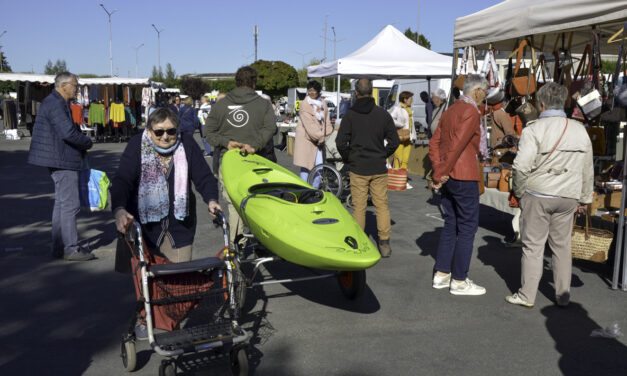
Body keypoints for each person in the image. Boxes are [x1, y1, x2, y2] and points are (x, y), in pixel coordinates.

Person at [506, 82, 593, 308]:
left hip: (539, 193)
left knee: (533, 246)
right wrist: (585, 198)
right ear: (563, 102)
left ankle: (527, 295)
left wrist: (520, 193)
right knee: (562, 246)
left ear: (542, 104)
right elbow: (587, 168)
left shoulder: (534, 129)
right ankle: (563, 295)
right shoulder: (579, 129)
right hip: (568, 195)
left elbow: (521, 166)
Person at [112, 107, 221, 262]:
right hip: (144, 228)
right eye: (159, 132)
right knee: (147, 281)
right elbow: (122, 180)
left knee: (180, 279)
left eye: (171, 131)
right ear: (149, 131)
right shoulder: (137, 144)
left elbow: (204, 176)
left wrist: (211, 199)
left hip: (179, 226)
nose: (165, 136)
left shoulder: (186, 143)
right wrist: (119, 209)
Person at [429, 74, 488, 295]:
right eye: (486, 91)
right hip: (463, 174)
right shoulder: (470, 110)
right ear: (478, 91)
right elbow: (457, 145)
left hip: (450, 175)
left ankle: (442, 274)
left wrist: (439, 171)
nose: (486, 96)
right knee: (467, 228)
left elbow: (435, 143)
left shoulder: (451, 109)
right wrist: (440, 172)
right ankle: (459, 280)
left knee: (451, 223)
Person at [203, 66, 275, 246]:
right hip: (257, 160)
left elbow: (208, 132)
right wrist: (255, 145)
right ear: (253, 82)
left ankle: (237, 244)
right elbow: (270, 129)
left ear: (236, 82)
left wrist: (226, 142)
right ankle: (260, 241)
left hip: (229, 161)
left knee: (234, 203)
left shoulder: (221, 104)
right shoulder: (264, 104)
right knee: (259, 202)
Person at [27, 72, 95, 261]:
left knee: (62, 204)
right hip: (62, 159)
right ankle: (70, 248)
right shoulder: (56, 103)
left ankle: (60, 247)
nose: (77, 88)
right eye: (75, 85)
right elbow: (68, 133)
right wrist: (87, 142)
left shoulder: (55, 102)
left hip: (58, 158)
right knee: (69, 205)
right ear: (63, 85)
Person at [336, 78, 399, 258]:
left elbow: (341, 143)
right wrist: (382, 154)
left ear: (356, 93)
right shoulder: (382, 114)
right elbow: (394, 141)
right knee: (381, 206)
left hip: (358, 167)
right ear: (372, 92)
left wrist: (349, 158)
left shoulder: (350, 116)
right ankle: (384, 242)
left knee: (359, 207)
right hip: (378, 167)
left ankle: (359, 240)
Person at [294, 81, 333, 187]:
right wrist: (321, 136)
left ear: (318, 91)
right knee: (305, 167)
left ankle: (314, 190)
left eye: (314, 90)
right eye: (309, 90)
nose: (311, 93)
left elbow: (327, 119)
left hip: (318, 140)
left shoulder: (323, 102)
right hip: (306, 140)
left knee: (319, 168)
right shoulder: (305, 104)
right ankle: (303, 190)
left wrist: (328, 131)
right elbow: (309, 125)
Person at [388, 91, 415, 189]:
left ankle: (403, 180)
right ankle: (395, 179)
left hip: (408, 137)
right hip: (400, 137)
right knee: (398, 159)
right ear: (405, 99)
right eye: (410, 99)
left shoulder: (409, 110)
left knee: (405, 160)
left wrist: (413, 136)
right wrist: (400, 124)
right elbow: (390, 119)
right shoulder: (397, 108)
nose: (412, 101)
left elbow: (412, 125)